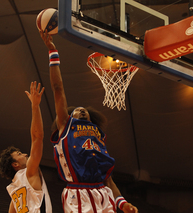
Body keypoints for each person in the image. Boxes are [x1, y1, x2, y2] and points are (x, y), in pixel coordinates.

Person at [40, 30, 138, 213]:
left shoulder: (99, 136)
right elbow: (58, 88)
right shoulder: (65, 126)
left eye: (84, 110)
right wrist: (53, 52)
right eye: (77, 110)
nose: (82, 110)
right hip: (78, 193)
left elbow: (108, 179)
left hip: (103, 192)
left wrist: (123, 203)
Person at [0, 81, 52, 213]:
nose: (25, 154)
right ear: (15, 164)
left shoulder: (14, 189)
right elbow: (37, 137)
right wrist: (35, 106)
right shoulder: (29, 172)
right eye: (19, 154)